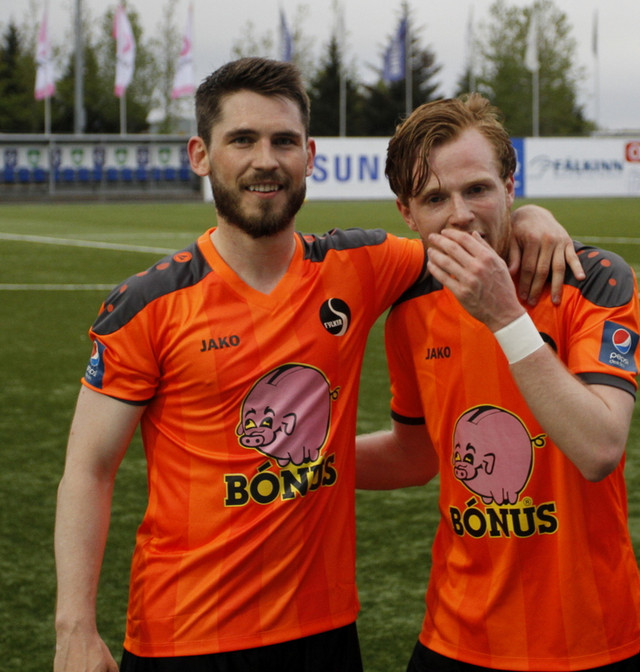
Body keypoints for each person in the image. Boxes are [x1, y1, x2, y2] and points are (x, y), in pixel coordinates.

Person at [53, 58, 580, 672]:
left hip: (325, 634)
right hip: (185, 637)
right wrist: (74, 627)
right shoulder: (146, 305)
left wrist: (531, 217)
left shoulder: (362, 265)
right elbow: (88, 469)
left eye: (283, 141)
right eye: (242, 140)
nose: (265, 160)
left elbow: (466, 236)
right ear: (201, 155)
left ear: (309, 156)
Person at [356, 94, 640, 672]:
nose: (461, 215)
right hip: (455, 637)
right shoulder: (410, 310)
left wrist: (505, 316)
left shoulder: (593, 280)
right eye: (435, 199)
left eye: (478, 189)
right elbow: (415, 457)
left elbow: (598, 449)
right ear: (407, 214)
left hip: (594, 641)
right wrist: (307, 461)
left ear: (511, 186)